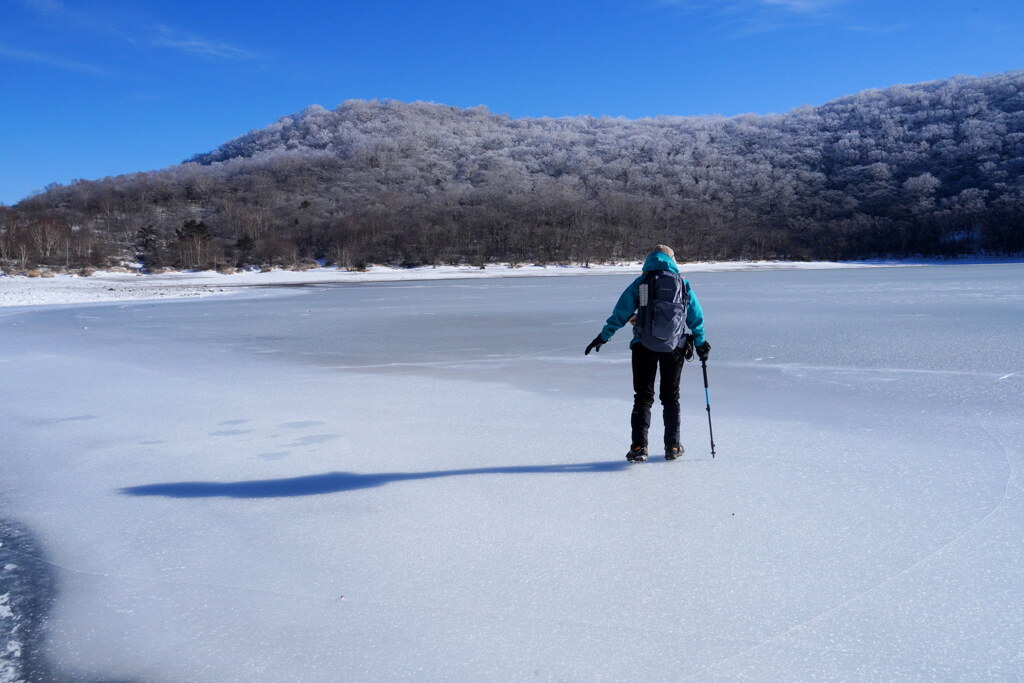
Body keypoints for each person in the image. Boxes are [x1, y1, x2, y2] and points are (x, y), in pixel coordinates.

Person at [584, 245, 710, 462]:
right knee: (671, 398)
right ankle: (672, 446)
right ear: (672, 259)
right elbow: (695, 318)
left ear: (650, 259)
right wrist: (700, 343)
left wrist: (604, 336)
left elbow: (621, 313)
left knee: (643, 398)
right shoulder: (682, 284)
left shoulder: (642, 283)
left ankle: (639, 446)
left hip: (643, 346)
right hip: (674, 348)